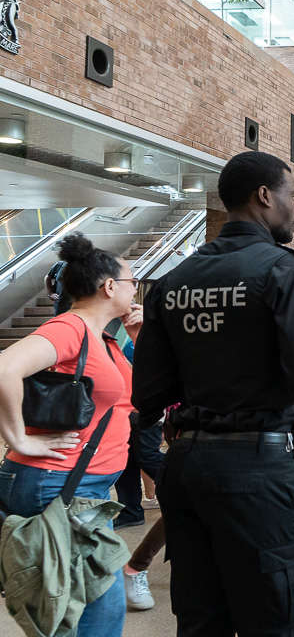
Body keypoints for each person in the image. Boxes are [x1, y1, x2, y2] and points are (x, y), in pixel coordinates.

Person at [132, 150, 294, 636]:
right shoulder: (290, 271)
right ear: (265, 196)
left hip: (187, 470)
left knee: (201, 619)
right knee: (276, 618)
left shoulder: (171, 283)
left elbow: (147, 396)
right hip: (258, 470)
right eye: (292, 196)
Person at [0, 234, 141, 637]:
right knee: (99, 606)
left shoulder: (105, 339)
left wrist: (144, 334)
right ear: (109, 286)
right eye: (131, 280)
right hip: (60, 485)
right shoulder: (70, 329)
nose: (135, 287)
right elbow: (4, 368)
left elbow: (138, 398)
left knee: (76, 602)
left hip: (82, 488)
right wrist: (20, 439)